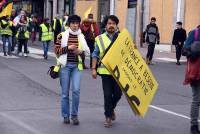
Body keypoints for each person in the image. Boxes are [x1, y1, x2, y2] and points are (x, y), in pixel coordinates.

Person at [54, 15, 90, 125]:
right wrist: (67, 48)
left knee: (76, 91)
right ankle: (65, 115)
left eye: (77, 23)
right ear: (69, 24)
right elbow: (56, 51)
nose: (75, 25)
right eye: (73, 23)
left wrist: (81, 52)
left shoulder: (81, 36)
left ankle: (74, 115)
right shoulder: (62, 35)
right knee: (65, 93)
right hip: (65, 66)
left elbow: (87, 51)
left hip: (76, 67)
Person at [91, 15, 122, 128]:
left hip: (119, 73)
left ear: (116, 25)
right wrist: (93, 69)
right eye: (109, 23)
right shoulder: (99, 38)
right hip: (105, 72)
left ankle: (110, 109)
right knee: (108, 95)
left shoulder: (122, 38)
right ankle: (108, 117)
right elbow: (95, 54)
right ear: (105, 25)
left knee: (118, 94)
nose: (111, 25)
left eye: (113, 23)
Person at [183, 26, 200, 134]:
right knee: (197, 99)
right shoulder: (194, 33)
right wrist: (194, 52)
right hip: (196, 72)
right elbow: (185, 50)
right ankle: (194, 125)